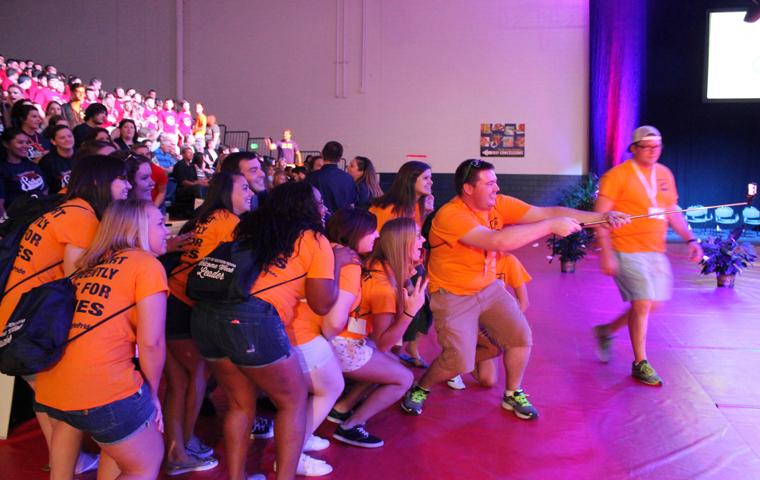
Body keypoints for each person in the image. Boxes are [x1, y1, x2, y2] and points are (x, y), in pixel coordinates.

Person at [400, 159, 629, 419]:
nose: (496, 188)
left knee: (520, 338)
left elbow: (548, 212)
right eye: (489, 183)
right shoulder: (450, 215)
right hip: (453, 294)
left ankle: (512, 394)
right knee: (460, 361)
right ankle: (421, 387)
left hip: (489, 288)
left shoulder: (499, 204)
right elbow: (497, 241)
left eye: (495, 181)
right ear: (468, 189)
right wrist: (550, 228)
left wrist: (601, 218)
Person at [189, 182, 356, 480]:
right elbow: (321, 304)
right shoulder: (313, 239)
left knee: (240, 404)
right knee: (292, 403)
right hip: (252, 321)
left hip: (206, 315)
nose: (323, 209)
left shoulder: (249, 230)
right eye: (318, 203)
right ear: (303, 208)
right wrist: (338, 265)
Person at [0, 154, 131, 477]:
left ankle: (68, 462)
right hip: (31, 323)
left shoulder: (67, 208)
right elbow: (77, 280)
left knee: (47, 396)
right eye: (122, 179)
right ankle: (67, 463)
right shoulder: (82, 218)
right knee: (55, 400)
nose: (127, 185)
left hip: (17, 314)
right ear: (100, 183)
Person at [34, 199, 169, 480]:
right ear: (138, 229)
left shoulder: (88, 265)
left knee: (117, 443)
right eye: (159, 223)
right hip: (100, 389)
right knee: (146, 462)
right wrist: (152, 395)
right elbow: (151, 343)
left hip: (52, 386)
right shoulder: (146, 265)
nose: (166, 229)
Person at [592, 126, 702, 385]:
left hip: (655, 249)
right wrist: (605, 253)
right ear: (634, 148)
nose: (654, 151)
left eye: (658, 146)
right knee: (642, 302)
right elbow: (599, 217)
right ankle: (640, 362)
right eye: (647, 147)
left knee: (653, 304)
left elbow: (671, 209)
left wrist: (690, 239)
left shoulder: (664, 174)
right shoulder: (617, 176)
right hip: (625, 248)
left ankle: (606, 331)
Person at [163, 171, 253, 476]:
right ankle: (183, 447)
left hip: (170, 300)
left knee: (179, 384)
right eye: (244, 187)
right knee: (196, 375)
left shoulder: (206, 216)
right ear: (228, 192)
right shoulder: (229, 221)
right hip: (186, 305)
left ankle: (177, 449)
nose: (251, 191)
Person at [284, 208, 378, 475]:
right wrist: (326, 340)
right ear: (354, 233)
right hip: (304, 334)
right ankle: (293, 454)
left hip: (284, 326)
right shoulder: (349, 262)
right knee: (330, 387)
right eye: (372, 230)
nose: (378, 234)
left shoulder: (321, 246)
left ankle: (303, 433)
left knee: (309, 391)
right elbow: (335, 320)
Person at [329, 217, 426, 447]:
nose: (423, 241)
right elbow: (382, 343)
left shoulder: (377, 264)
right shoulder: (385, 286)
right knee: (404, 378)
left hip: (339, 338)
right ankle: (351, 426)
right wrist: (410, 313)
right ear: (402, 244)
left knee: (390, 363)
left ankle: (341, 409)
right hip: (344, 345)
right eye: (418, 237)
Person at [369, 161, 434, 366]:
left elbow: (416, 237)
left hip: (411, 265)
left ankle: (409, 350)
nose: (430, 182)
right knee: (398, 314)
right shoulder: (386, 208)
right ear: (410, 179)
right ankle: (390, 358)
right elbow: (376, 241)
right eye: (425, 177)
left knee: (423, 311)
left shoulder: (417, 205)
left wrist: (426, 213)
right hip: (392, 269)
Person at [447, 253, 532, 390]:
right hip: (464, 317)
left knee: (487, 380)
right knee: (491, 349)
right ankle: (452, 362)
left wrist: (501, 325)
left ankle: (454, 361)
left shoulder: (508, 260)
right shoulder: (465, 259)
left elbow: (523, 303)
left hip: (489, 321)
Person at [0, 128, 46, 217]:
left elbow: (45, 191)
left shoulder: (32, 165)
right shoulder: (3, 169)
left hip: (43, 214)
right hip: (19, 219)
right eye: (20, 142)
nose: (25, 146)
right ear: (6, 144)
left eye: (27, 142)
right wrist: (4, 225)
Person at [307, 141, 357, 213]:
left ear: (322, 154)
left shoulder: (312, 177)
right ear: (340, 159)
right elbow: (352, 202)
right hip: (343, 221)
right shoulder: (348, 178)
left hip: (321, 221)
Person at [38, 124, 75, 193]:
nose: (67, 139)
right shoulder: (47, 161)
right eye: (62, 138)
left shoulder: (83, 155)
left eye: (70, 136)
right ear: (53, 141)